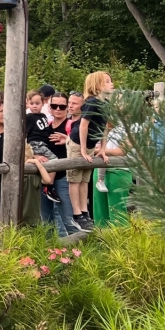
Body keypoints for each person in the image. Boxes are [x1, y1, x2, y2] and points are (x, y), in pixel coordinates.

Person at [68, 72, 114, 231]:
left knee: (85, 179)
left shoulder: (106, 103)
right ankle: (76, 213)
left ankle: (84, 211)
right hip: (77, 143)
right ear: (97, 86)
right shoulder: (92, 102)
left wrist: (102, 149)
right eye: (107, 81)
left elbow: (104, 127)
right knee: (75, 178)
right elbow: (83, 125)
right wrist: (82, 149)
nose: (111, 84)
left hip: (90, 145)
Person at [44, 92, 83, 236]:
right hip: (45, 176)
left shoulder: (73, 126)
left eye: (62, 106)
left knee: (68, 217)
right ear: (50, 107)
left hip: (64, 177)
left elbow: (84, 149)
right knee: (46, 219)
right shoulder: (46, 126)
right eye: (55, 106)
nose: (58, 109)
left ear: (67, 108)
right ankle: (50, 251)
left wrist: (67, 139)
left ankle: (78, 249)